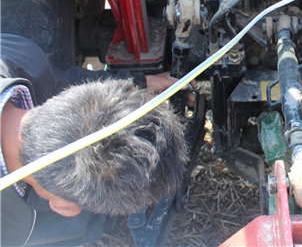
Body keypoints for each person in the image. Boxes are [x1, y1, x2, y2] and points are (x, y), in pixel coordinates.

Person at [1, 33, 195, 246]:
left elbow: (64, 84)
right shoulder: (6, 233)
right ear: (61, 204)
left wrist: (143, 82)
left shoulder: (21, 56)